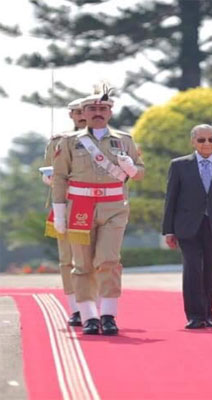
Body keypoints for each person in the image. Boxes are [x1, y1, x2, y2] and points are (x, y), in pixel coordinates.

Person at [51, 84, 146, 335]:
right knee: (81, 264)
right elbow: (59, 177)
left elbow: (140, 173)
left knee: (109, 260)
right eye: (92, 108)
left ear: (110, 113)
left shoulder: (124, 140)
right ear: (83, 112)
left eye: (103, 108)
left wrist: (130, 168)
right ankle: (89, 315)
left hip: (113, 206)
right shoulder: (69, 142)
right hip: (79, 205)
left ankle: (108, 313)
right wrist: (59, 212)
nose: (97, 112)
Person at [162, 124, 212, 329]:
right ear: (193, 142)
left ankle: (208, 312)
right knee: (192, 269)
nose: (206, 144)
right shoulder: (180, 165)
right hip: (187, 226)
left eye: (211, 140)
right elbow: (170, 198)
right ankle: (195, 315)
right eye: (201, 140)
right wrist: (168, 230)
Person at [42, 97, 87, 327]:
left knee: (98, 259)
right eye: (76, 112)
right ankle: (75, 308)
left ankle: (94, 306)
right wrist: (49, 178)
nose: (81, 116)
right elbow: (48, 171)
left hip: (95, 204)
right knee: (67, 260)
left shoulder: (109, 140)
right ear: (71, 115)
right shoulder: (58, 141)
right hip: (66, 204)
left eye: (84, 111)